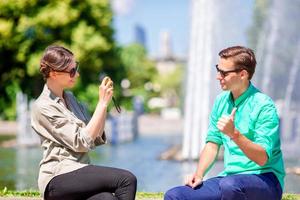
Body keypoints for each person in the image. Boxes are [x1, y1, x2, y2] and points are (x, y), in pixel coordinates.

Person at [164, 46, 285, 200]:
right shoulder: (221, 101)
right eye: (218, 69)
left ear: (243, 74)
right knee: (175, 195)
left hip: (266, 180)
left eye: (224, 73)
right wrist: (199, 174)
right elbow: (212, 144)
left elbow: (262, 158)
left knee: (230, 186)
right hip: (230, 179)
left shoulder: (264, 105)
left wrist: (234, 134)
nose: (218, 76)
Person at [31, 45, 137, 200]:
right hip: (58, 176)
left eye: (76, 68)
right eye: (72, 71)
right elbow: (81, 142)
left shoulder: (71, 99)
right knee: (127, 180)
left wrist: (104, 105)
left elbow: (94, 137)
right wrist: (102, 104)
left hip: (80, 171)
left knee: (107, 199)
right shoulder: (43, 106)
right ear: (53, 73)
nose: (77, 74)